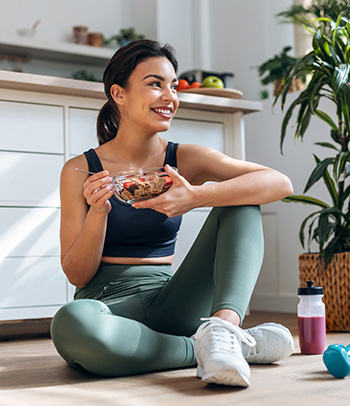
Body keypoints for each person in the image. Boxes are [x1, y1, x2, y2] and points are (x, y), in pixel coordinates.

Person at [50, 39, 294, 387]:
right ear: (119, 94)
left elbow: (279, 182)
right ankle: (216, 347)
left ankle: (224, 329)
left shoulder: (184, 159)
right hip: (107, 306)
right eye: (155, 84)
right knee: (71, 323)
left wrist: (196, 196)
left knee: (241, 198)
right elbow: (77, 274)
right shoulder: (80, 170)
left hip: (173, 300)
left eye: (173, 86)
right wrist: (98, 214)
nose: (170, 97)